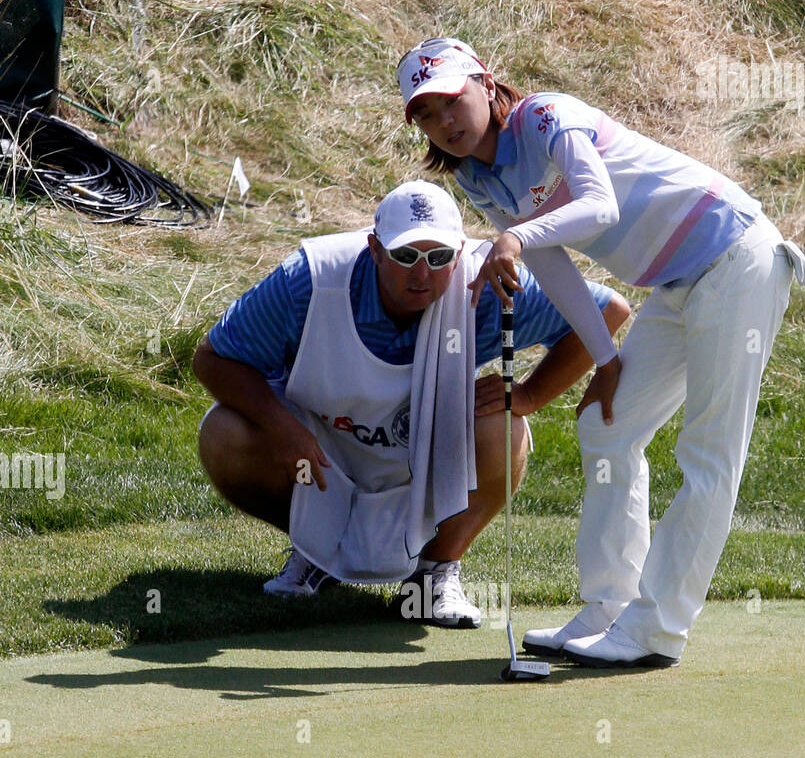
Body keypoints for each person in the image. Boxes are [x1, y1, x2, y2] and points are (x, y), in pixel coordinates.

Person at [398, 38, 805, 666]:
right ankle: (610, 607)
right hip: (674, 286)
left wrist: (512, 234)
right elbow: (549, 263)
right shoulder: (480, 177)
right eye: (426, 114)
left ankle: (657, 631)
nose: (445, 122)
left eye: (452, 100)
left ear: (484, 83)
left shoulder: (546, 117)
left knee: (708, 452)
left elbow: (599, 204)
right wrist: (606, 359)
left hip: (737, 257)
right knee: (605, 425)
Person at [194, 180, 629, 628]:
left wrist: (531, 394)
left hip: (427, 463)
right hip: (321, 454)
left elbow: (609, 310)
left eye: (439, 258)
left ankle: (434, 574)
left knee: (506, 428)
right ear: (375, 249)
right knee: (223, 432)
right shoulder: (307, 279)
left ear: (460, 253)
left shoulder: (486, 282)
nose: (422, 274)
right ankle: (317, 550)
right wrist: (281, 429)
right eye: (405, 257)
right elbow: (212, 358)